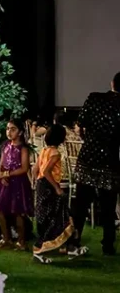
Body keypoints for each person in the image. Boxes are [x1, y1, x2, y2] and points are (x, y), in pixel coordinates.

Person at [71, 71, 120, 256]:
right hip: (110, 162)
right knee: (108, 207)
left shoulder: (94, 98)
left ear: (112, 83)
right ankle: (108, 245)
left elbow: (79, 126)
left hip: (88, 158)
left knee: (80, 204)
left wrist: (88, 140)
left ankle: (74, 240)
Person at [0, 117, 33, 250]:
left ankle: (21, 242)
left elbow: (24, 168)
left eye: (13, 129)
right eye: (7, 129)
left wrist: (7, 174)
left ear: (20, 132)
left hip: (18, 183)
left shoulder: (23, 148)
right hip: (4, 182)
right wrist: (1, 174)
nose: (9, 132)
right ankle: (6, 238)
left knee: (18, 212)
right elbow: (1, 163)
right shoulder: (6, 145)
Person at [33, 124, 79, 263]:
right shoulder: (55, 153)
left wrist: (34, 183)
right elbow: (46, 171)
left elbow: (35, 169)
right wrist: (57, 188)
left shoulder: (43, 150)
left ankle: (69, 246)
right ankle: (41, 248)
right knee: (57, 216)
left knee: (57, 214)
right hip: (50, 186)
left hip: (41, 185)